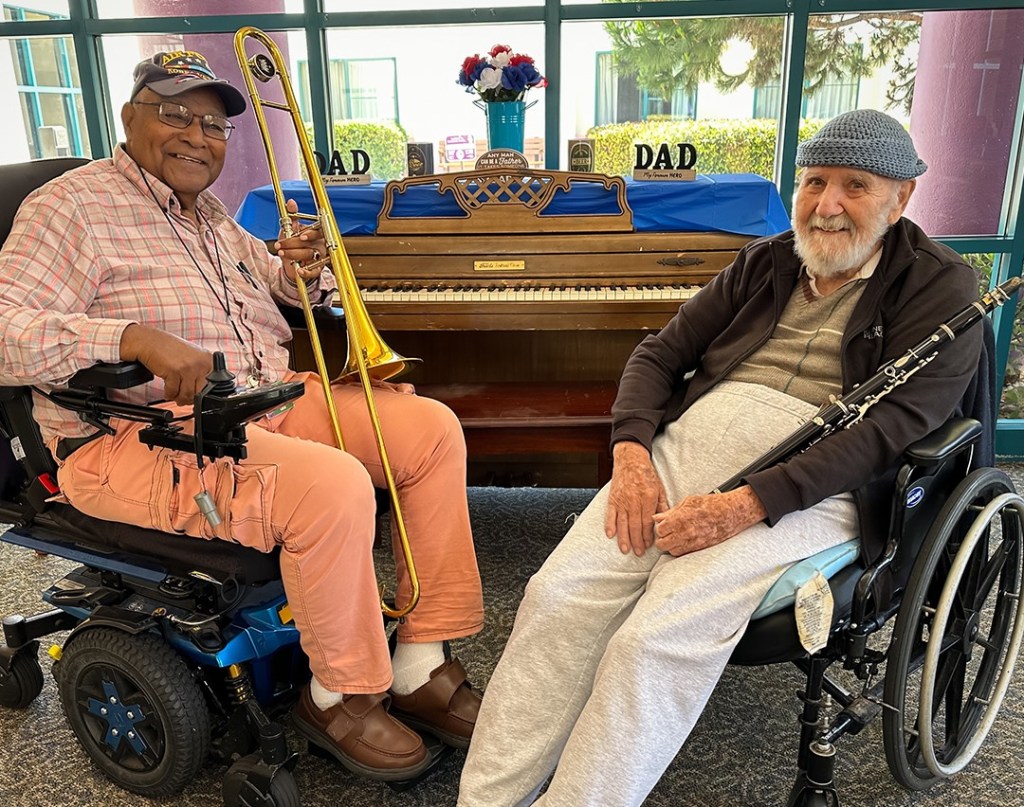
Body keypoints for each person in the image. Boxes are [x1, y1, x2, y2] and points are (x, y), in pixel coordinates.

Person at [457, 109, 984, 806]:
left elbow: (891, 428)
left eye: (854, 186)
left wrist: (747, 504)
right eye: (814, 182)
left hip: (815, 483)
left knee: (653, 640)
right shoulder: (767, 260)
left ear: (900, 197)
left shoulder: (941, 286)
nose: (826, 205)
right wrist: (631, 452)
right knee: (555, 599)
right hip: (685, 446)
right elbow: (659, 354)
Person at [0, 50, 484, 781]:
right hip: (136, 436)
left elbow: (282, 291)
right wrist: (129, 338)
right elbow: (7, 333)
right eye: (175, 113)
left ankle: (420, 659)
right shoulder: (68, 207)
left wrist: (301, 273)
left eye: (213, 124)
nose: (197, 135)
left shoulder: (212, 217)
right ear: (129, 117)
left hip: (262, 400)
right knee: (332, 486)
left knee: (431, 431)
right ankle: (338, 695)